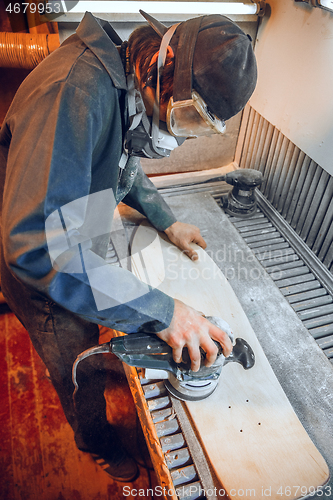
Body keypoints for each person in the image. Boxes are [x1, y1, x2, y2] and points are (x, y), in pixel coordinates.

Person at [0, 10, 257, 481]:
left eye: (200, 126)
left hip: (75, 235)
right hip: (41, 268)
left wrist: (166, 220)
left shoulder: (122, 77)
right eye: (187, 117)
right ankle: (94, 439)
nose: (179, 134)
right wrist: (165, 313)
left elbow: (121, 161)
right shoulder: (74, 93)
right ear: (166, 61)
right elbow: (36, 248)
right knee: (74, 358)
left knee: (104, 315)